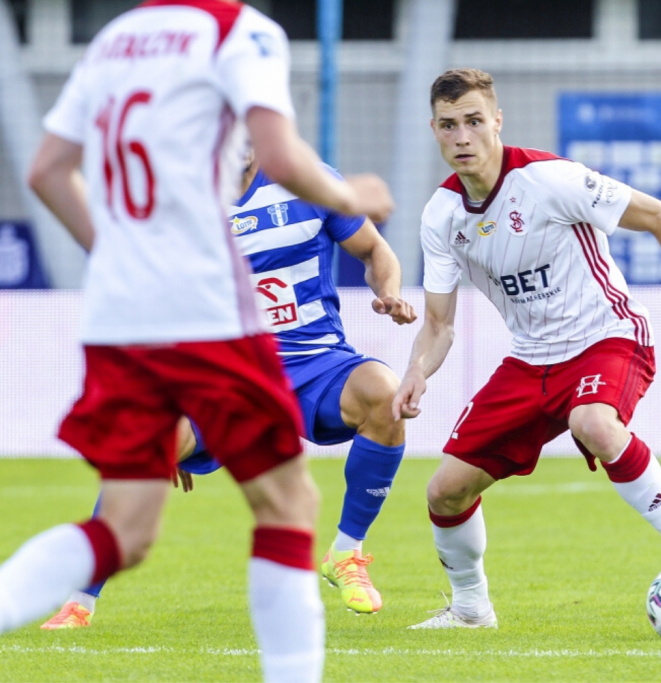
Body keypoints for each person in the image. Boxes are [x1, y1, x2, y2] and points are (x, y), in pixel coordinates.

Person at [0, 2, 392, 681]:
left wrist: (119, 258)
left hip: (125, 311)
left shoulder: (116, 39)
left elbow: (45, 172)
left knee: (125, 530)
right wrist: (347, 193)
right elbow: (278, 154)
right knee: (288, 504)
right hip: (204, 308)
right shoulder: (239, 30)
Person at [392, 68, 661, 630]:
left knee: (595, 422)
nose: (462, 137)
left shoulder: (549, 180)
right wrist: (416, 371)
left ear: (497, 122)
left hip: (607, 336)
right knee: (446, 491)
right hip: (531, 359)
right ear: (434, 130)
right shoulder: (442, 216)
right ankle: (471, 609)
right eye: (449, 125)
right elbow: (438, 323)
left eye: (474, 122)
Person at [41, 156, 416, 629]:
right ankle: (80, 601)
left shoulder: (308, 181)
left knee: (385, 395)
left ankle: (346, 552)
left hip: (313, 360)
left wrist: (389, 291)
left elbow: (375, 249)